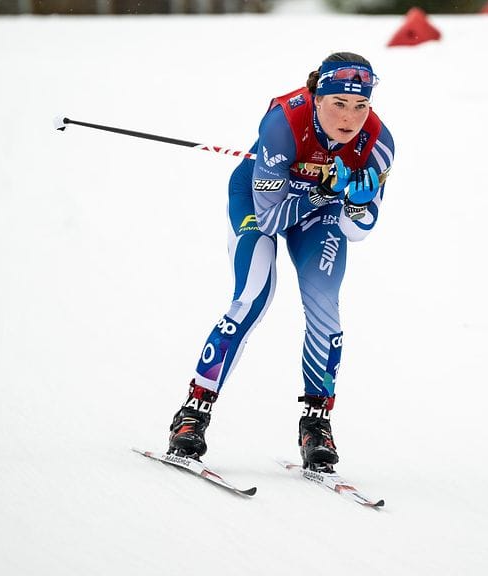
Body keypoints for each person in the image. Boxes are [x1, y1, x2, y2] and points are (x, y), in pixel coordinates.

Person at [167, 52, 395, 472]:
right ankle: (193, 413)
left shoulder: (378, 143)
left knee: (325, 307)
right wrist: (323, 190)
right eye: (338, 105)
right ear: (316, 97)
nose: (350, 119)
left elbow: (358, 231)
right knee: (254, 294)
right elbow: (270, 217)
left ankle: (316, 425)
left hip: (320, 212)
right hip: (260, 201)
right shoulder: (283, 123)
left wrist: (359, 204)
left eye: (361, 106)